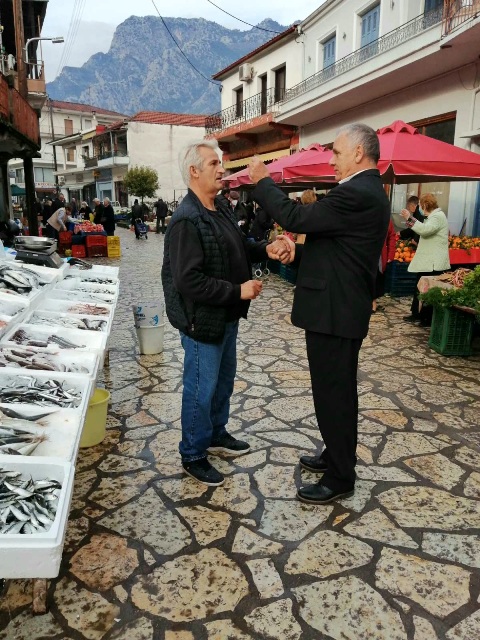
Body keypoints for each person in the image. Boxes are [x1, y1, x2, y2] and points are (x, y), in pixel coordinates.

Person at [249, 122, 390, 505]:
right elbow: (337, 251)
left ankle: (341, 476)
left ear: (358, 153)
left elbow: (297, 218)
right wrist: (296, 253)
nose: (331, 161)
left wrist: (263, 182)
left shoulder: (358, 191)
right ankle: (335, 453)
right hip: (337, 308)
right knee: (334, 390)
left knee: (334, 393)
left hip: (336, 312)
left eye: (337, 153)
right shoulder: (365, 191)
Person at [161, 139, 294, 487]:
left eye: (220, 163)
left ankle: (216, 433)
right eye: (213, 164)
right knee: (200, 388)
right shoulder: (187, 220)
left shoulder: (219, 207)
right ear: (194, 171)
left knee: (222, 382)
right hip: (202, 321)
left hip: (226, 317)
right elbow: (188, 281)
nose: (221, 169)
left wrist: (266, 248)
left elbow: (238, 246)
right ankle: (193, 453)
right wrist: (238, 291)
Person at [400, 192, 450, 326]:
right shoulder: (432, 217)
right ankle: (418, 314)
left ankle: (425, 318)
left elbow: (425, 230)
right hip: (428, 261)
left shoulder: (438, 217)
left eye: (421, 205)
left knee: (428, 290)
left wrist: (409, 218)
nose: (420, 208)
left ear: (425, 205)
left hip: (433, 263)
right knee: (421, 287)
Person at [373, 219, 396, 313]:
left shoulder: (386, 219)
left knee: (376, 277)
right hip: (363, 253)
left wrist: (391, 254)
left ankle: (373, 302)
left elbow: (391, 236)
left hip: (379, 255)